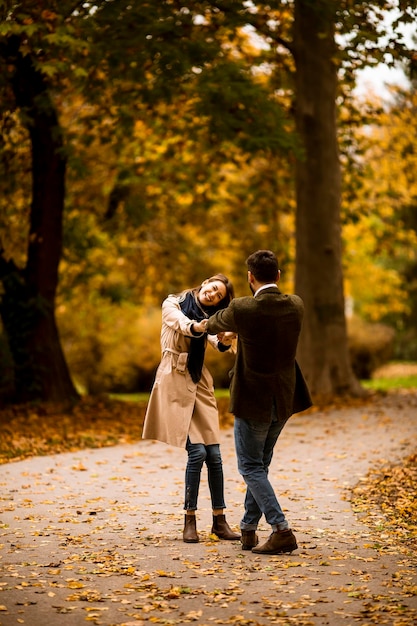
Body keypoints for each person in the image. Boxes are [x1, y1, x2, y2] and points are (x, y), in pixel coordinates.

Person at [206, 250, 312, 555]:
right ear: (277, 276)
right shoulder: (296, 305)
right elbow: (264, 327)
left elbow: (213, 324)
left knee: (250, 467)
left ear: (250, 278)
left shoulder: (242, 308)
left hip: (254, 400)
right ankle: (249, 530)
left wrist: (230, 328)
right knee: (260, 465)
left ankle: (281, 529)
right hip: (286, 398)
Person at [142, 274, 240, 544]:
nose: (213, 295)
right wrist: (205, 326)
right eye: (213, 289)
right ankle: (190, 520)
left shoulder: (209, 317)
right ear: (206, 282)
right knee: (196, 452)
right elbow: (184, 325)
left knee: (215, 455)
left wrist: (227, 336)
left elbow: (215, 342)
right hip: (174, 377)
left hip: (198, 380)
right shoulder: (174, 303)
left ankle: (220, 521)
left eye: (219, 296)